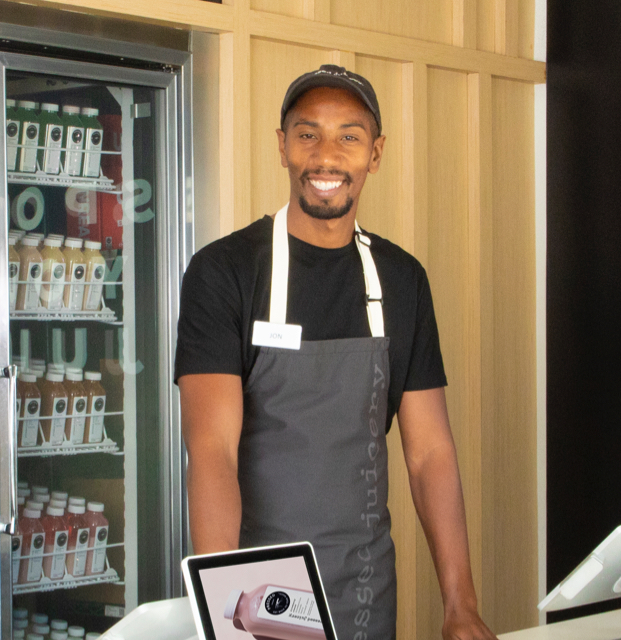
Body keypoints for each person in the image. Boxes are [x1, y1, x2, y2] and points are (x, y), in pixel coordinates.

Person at [175, 65, 495, 640]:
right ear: (282, 147)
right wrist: (225, 607)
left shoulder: (401, 280)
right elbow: (212, 449)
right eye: (307, 134)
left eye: (348, 136)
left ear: (375, 153)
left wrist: (460, 604)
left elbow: (429, 454)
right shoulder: (224, 272)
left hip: (366, 589)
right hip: (257, 594)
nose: (326, 155)